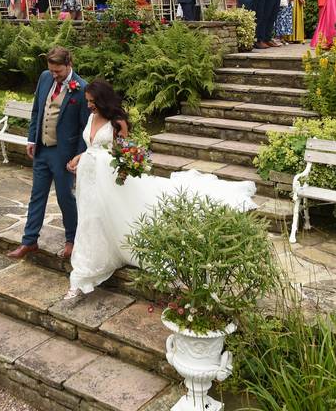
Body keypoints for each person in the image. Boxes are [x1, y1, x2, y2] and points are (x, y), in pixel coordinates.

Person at [64, 79, 256, 298]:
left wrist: (125, 167)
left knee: (108, 215)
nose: (89, 105)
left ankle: (87, 269)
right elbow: (93, 146)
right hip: (88, 177)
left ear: (102, 100)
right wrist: (79, 157)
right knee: (90, 216)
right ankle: (93, 259)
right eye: (88, 101)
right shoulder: (91, 117)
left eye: (92, 101)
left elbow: (122, 153)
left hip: (108, 177)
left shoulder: (118, 122)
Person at [7, 47, 90, 261]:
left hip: (64, 155)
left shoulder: (81, 89)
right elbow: (37, 110)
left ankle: (72, 239)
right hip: (42, 150)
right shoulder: (45, 78)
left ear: (69, 64)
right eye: (52, 71)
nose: (54, 75)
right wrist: (32, 139)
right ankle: (29, 241)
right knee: (37, 196)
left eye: (58, 72)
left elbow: (85, 128)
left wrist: (78, 157)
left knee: (65, 198)